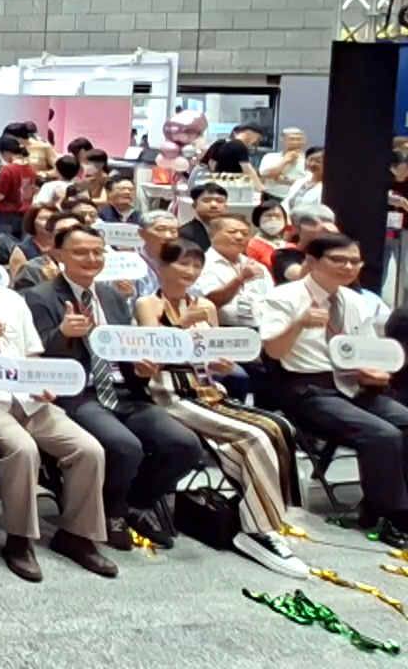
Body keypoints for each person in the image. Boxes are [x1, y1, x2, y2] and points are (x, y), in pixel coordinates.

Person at [0, 228, 114, 581]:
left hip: (27, 396)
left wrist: (42, 383)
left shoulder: (11, 298)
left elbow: (32, 353)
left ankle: (77, 535)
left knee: (89, 449)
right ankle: (19, 539)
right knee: (22, 449)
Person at [27, 225, 202, 550]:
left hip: (125, 390)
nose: (91, 258)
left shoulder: (113, 296)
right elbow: (34, 356)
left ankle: (135, 503)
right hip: (78, 392)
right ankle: (111, 512)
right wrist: (62, 334)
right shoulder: (40, 297)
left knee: (185, 445)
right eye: (80, 252)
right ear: (59, 254)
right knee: (125, 446)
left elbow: (129, 347)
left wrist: (141, 367)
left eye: (97, 252)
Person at [136, 240, 305, 577]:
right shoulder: (148, 304)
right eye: (182, 264)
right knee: (254, 437)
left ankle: (261, 515)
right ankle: (258, 529)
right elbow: (154, 352)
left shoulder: (206, 306)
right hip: (171, 392)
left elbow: (212, 357)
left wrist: (222, 364)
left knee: (280, 427)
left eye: (196, 265)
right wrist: (182, 325)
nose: (190, 272)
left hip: (209, 390)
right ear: (162, 266)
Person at [257, 234, 408, 542]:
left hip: (353, 385)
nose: (348, 267)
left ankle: (377, 505)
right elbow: (273, 351)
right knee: (382, 434)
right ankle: (393, 517)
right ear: (312, 261)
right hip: (307, 389)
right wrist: (299, 323)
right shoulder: (283, 297)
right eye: (339, 260)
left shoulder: (356, 301)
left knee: (404, 421)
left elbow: (367, 350)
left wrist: (375, 373)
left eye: (355, 261)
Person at [194, 214, 273, 327]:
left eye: (245, 233)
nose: (239, 237)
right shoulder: (200, 264)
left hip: (263, 328)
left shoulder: (256, 266)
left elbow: (271, 299)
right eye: (232, 232)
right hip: (222, 330)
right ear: (212, 235)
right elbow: (212, 301)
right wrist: (241, 278)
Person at [275, 203, 338, 282]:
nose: (322, 227)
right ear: (296, 227)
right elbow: (298, 276)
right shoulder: (284, 254)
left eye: (327, 221)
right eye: (312, 223)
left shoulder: (339, 252)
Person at [0, 136, 36, 238]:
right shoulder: (31, 169)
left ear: (6, 153)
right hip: (23, 216)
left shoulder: (8, 170)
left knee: (2, 242)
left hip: (4, 217)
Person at [202, 123, 263, 191]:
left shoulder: (224, 143)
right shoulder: (238, 144)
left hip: (221, 183)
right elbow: (248, 169)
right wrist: (260, 187)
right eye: (258, 139)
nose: (255, 142)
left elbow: (212, 164)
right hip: (231, 184)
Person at [180, 183, 231, 252]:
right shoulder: (185, 234)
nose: (214, 205)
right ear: (194, 205)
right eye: (206, 201)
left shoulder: (232, 232)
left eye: (219, 201)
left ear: (226, 207)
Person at [282, 147, 325, 212]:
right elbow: (286, 201)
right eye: (310, 160)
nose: (312, 164)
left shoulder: (326, 188)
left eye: (318, 161)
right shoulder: (301, 181)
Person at [247, 201, 288, 269]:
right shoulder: (251, 246)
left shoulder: (290, 246)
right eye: (268, 215)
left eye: (278, 216)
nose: (273, 219)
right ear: (258, 219)